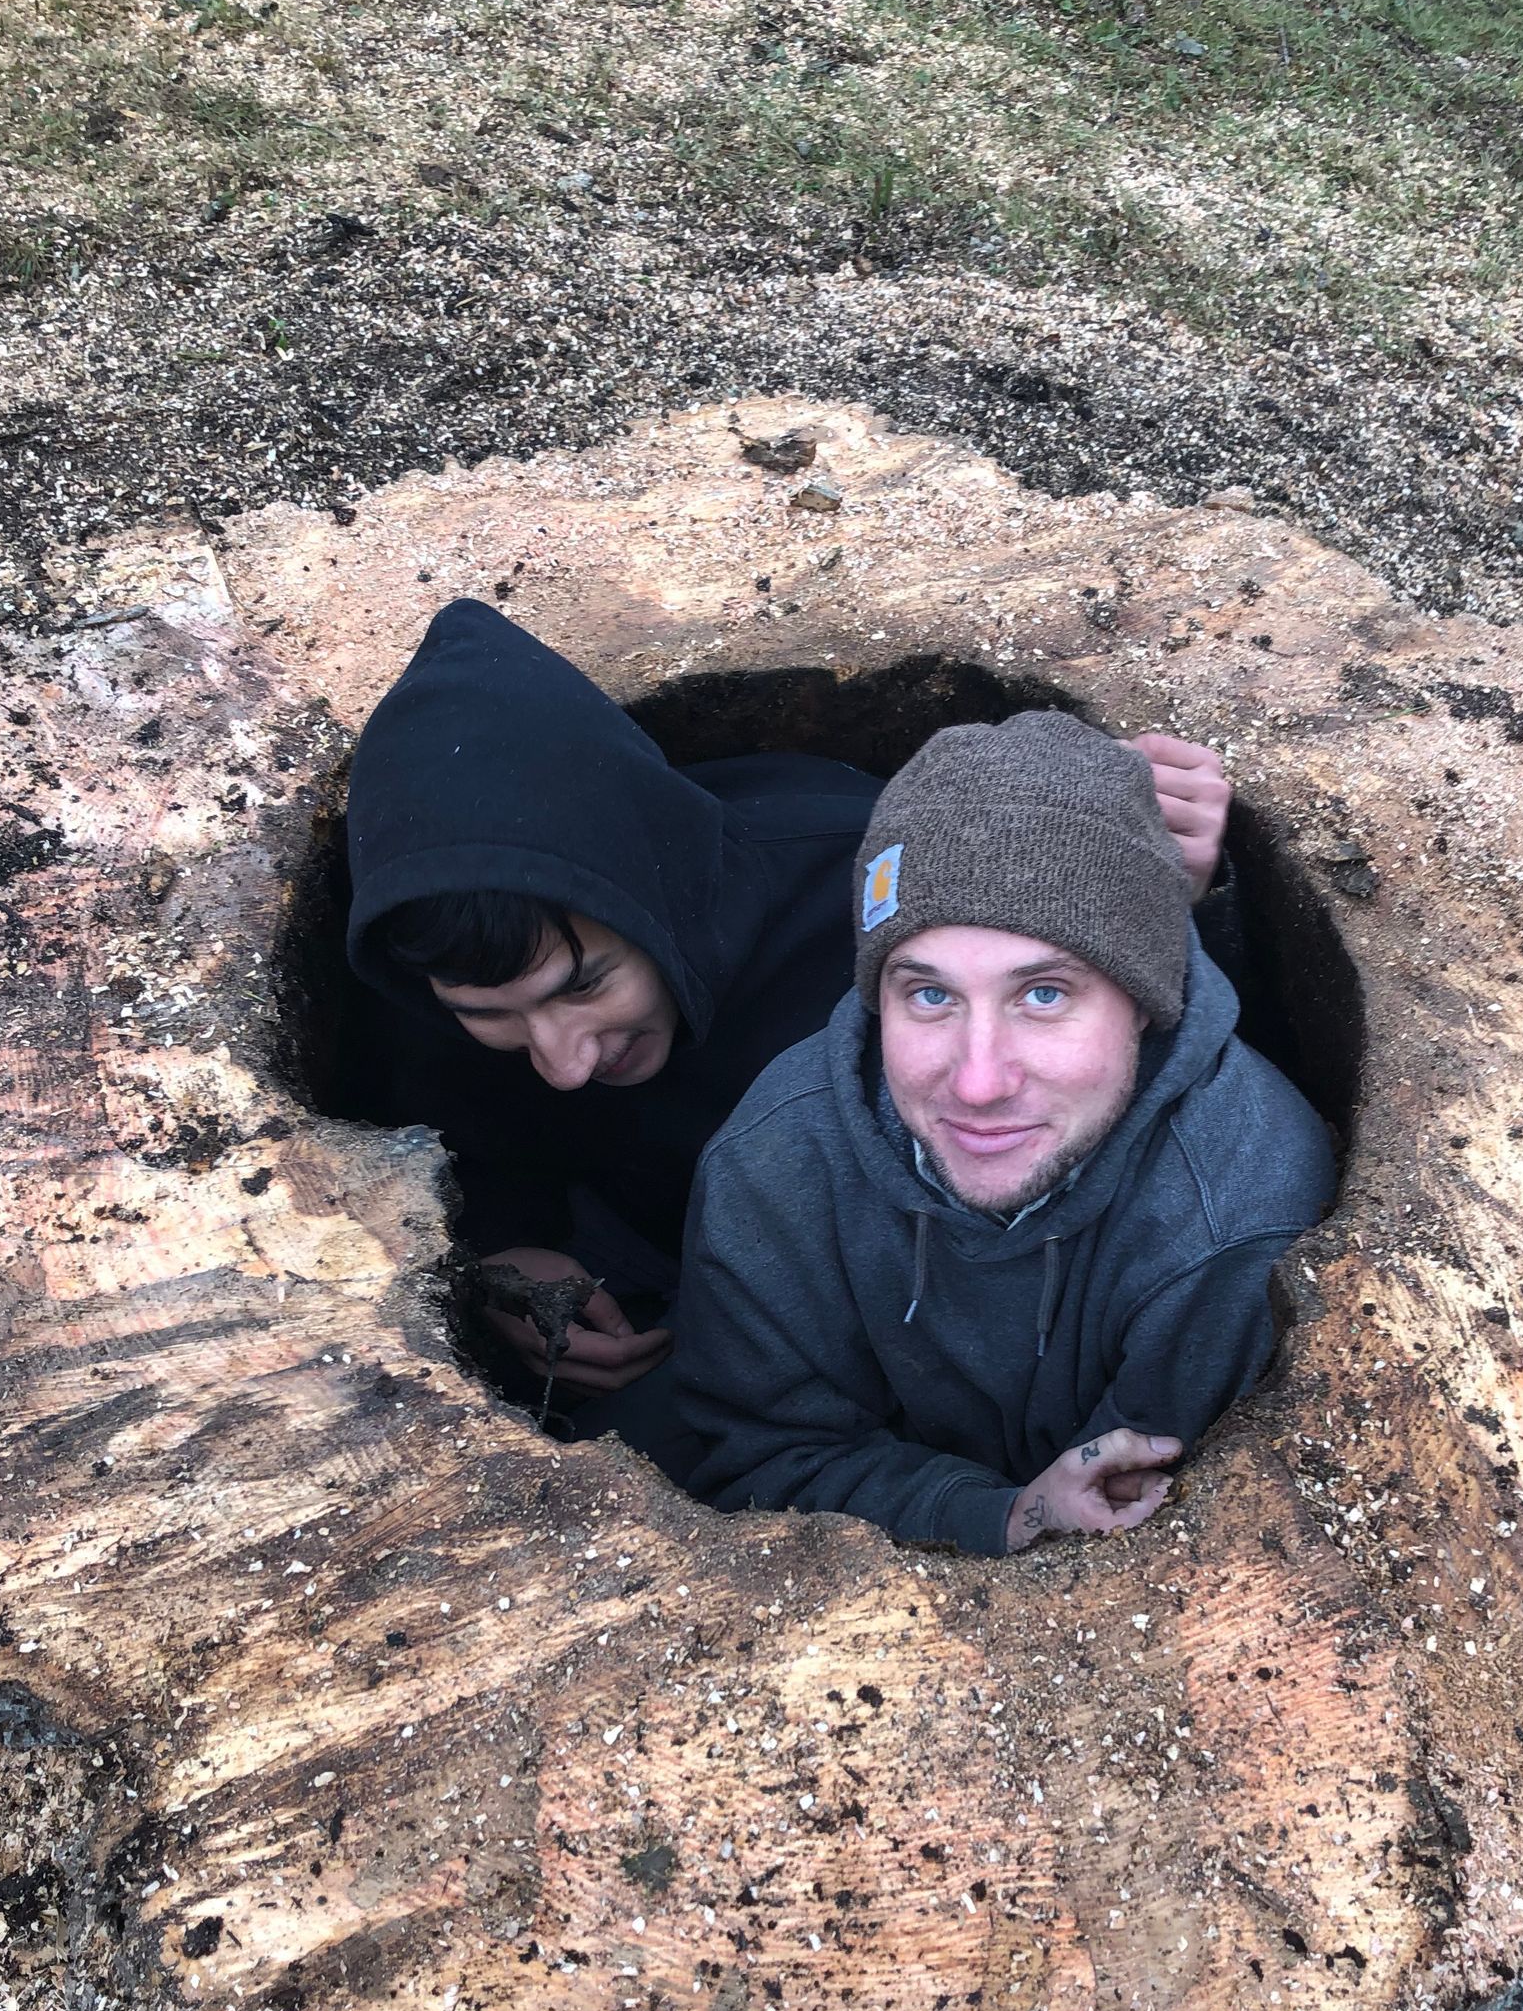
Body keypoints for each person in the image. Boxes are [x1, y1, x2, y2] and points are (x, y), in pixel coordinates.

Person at [341, 599, 1239, 1455]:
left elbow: (1103, 1026)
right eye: (489, 1017)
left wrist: (1169, 904)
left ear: (652, 895)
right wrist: (497, 1257)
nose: (564, 1065)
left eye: (587, 985)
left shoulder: (857, 876)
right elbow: (440, 1133)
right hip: (655, 1273)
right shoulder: (430, 961)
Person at [674, 712, 1335, 1553]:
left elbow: (1167, 1537)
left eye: (1044, 995)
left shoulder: (1238, 1221)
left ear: (1144, 999)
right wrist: (1002, 1515)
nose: (978, 1083)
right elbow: (756, 1463)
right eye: (931, 995)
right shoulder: (774, 1164)